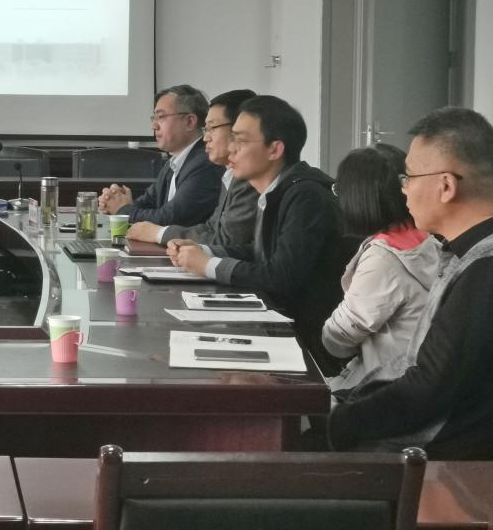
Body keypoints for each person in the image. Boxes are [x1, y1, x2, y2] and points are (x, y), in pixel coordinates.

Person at [328, 108, 493, 459]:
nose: (403, 190)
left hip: (447, 461)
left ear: (446, 186)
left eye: (409, 177)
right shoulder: (464, 252)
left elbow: (428, 391)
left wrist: (338, 422)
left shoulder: (484, 270)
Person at [167, 95, 344, 374]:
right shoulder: (277, 190)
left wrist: (208, 265)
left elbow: (280, 276)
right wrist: (204, 252)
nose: (231, 149)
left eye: (240, 140)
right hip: (282, 329)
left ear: (275, 149)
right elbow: (260, 252)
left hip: (310, 348)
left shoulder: (305, 196)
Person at [322, 144, 441, 392]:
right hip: (412, 381)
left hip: (379, 387)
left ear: (357, 197)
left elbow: (339, 337)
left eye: (339, 189)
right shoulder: (430, 239)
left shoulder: (383, 259)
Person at [127, 88, 258, 248]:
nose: (206, 137)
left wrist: (156, 232)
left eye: (212, 128)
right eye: (206, 129)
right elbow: (212, 229)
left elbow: (223, 240)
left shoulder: (214, 168)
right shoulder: (173, 163)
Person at [99, 84, 223, 227]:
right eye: (154, 118)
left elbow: (170, 219)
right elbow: (147, 202)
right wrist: (115, 201)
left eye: (161, 117)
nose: (154, 126)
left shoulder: (206, 163)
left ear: (189, 122)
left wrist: (122, 210)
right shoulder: (174, 162)